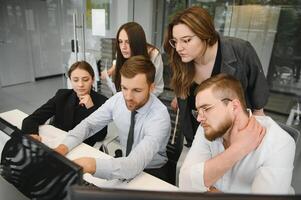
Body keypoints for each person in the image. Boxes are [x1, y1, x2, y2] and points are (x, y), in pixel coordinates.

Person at [163, 6, 269, 146]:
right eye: (175, 41)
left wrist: (257, 121)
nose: (178, 48)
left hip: (233, 133)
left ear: (205, 34)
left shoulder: (241, 50)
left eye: (186, 40)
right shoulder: (178, 59)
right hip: (197, 134)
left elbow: (258, 92)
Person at [54, 56, 171, 181]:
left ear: (151, 88)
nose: (128, 96)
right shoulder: (118, 99)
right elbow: (89, 124)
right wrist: (63, 147)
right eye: (124, 88)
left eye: (137, 90)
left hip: (151, 171)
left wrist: (90, 165)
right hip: (125, 163)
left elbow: (134, 165)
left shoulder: (159, 117)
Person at [179, 74, 295, 194]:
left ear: (234, 107)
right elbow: (185, 183)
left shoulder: (279, 143)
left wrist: (209, 191)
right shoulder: (207, 127)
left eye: (206, 108)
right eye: (198, 112)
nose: (199, 118)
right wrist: (237, 150)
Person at [21, 61, 108, 147]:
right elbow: (32, 119)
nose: (80, 84)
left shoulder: (102, 101)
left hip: (83, 147)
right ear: (70, 80)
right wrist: (32, 135)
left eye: (85, 80)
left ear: (92, 80)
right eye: (75, 80)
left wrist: (90, 108)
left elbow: (100, 136)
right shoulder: (62, 96)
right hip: (59, 143)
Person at [102, 22, 164, 96]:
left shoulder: (153, 55)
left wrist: (136, 99)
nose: (123, 47)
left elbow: (158, 88)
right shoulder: (121, 51)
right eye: (120, 41)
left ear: (137, 42)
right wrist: (113, 68)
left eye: (128, 42)